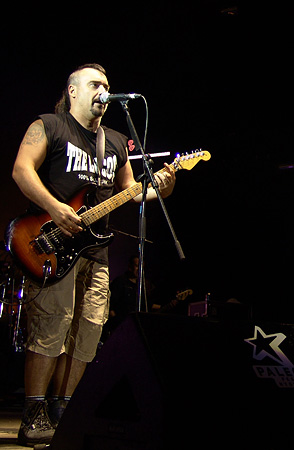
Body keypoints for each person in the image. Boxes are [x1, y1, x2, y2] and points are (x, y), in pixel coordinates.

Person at [10, 63, 176, 446]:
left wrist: (163, 188)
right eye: (94, 84)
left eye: (107, 85)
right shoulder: (49, 126)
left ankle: (63, 409)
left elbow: (132, 192)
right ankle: (33, 415)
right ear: (73, 90)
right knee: (52, 325)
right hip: (51, 242)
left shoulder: (116, 141)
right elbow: (21, 170)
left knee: (88, 330)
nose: (103, 90)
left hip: (97, 250)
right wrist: (54, 208)